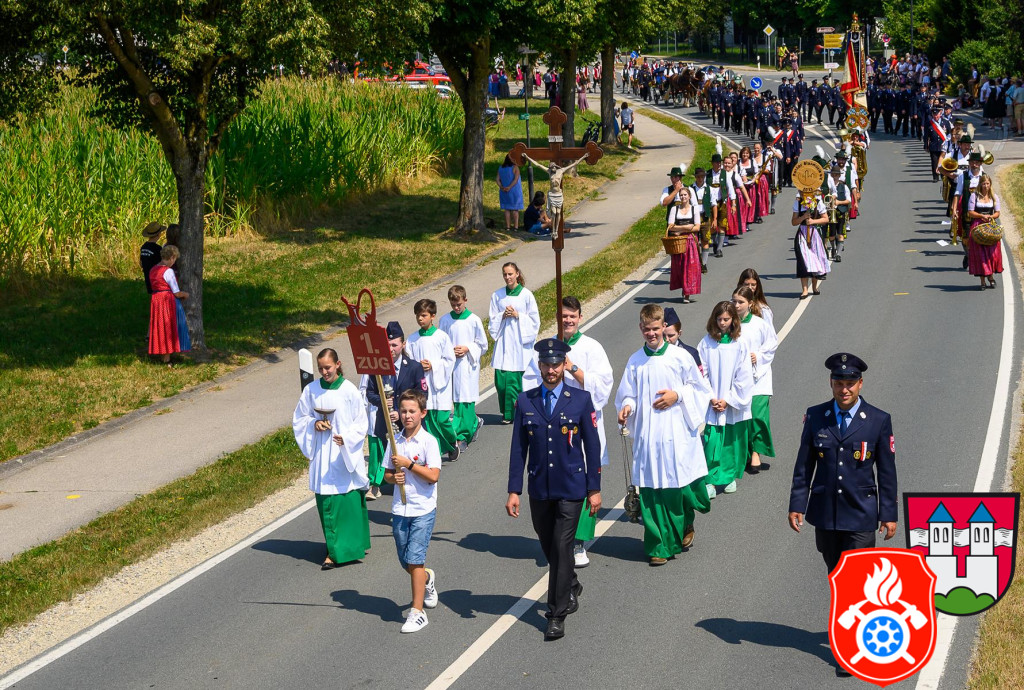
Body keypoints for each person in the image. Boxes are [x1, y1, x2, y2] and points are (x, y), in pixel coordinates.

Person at [507, 338, 602, 640]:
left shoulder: (581, 399)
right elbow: (518, 449)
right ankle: (570, 582)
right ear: (539, 366)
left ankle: (556, 613)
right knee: (549, 545)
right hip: (539, 488)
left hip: (571, 487)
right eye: (546, 365)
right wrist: (514, 490)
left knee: (562, 547)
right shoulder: (526, 401)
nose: (551, 370)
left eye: (556, 364)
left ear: (564, 365)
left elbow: (593, 447)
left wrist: (594, 488)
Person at [615, 304, 713, 565]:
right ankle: (658, 545)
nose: (651, 334)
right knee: (651, 491)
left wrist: (677, 395)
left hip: (677, 433)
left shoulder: (680, 357)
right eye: (646, 329)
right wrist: (627, 407)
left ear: (664, 327)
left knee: (679, 489)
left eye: (656, 329)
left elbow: (701, 389)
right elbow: (628, 393)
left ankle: (684, 523)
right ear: (641, 328)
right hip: (649, 437)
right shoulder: (635, 361)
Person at [788, 353, 898, 577]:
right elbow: (804, 465)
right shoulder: (816, 415)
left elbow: (887, 473)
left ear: (860, 383)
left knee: (858, 576)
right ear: (831, 383)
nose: (844, 390)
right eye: (839, 384)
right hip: (826, 514)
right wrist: (797, 504)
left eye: (850, 384)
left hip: (860, 513)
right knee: (836, 574)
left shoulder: (878, 420)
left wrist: (888, 514)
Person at [292, 348, 370, 570]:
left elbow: (361, 422)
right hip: (323, 453)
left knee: (348, 500)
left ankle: (352, 546)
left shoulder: (349, 390)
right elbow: (300, 418)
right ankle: (334, 551)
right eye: (320, 368)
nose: (324, 372)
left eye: (328, 367)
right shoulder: (311, 390)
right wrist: (314, 423)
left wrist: (346, 438)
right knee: (328, 501)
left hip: (343, 452)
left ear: (338, 364)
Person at [558, 297, 614, 569]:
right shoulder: (549, 347)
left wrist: (572, 367)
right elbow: (532, 382)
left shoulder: (593, 347)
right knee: (560, 482)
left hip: (585, 426)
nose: (568, 320)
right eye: (563, 316)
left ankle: (579, 541)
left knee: (586, 483)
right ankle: (561, 538)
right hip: (556, 428)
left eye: (572, 316)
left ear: (580, 317)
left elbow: (603, 387)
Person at [384, 389, 442, 633]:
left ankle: (417, 612)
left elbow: (433, 476)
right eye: (404, 411)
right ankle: (426, 579)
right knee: (406, 560)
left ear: (422, 413)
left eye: (412, 411)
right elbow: (386, 474)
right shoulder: (394, 442)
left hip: (423, 509)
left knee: (415, 559)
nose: (407, 416)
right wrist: (393, 478)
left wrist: (409, 465)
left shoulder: (429, 442)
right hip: (400, 509)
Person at [365, 321, 428, 501]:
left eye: (394, 345)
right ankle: (395, 495)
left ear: (403, 344)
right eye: (387, 345)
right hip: (386, 425)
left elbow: (423, 393)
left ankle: (414, 493)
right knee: (392, 463)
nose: (391, 349)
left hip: (408, 425)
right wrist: (383, 402)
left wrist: (402, 412)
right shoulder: (377, 368)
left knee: (410, 460)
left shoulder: (414, 367)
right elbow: (370, 393)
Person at [697, 301, 753, 498]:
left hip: (731, 403)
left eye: (726, 319)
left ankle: (729, 477)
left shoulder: (740, 343)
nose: (722, 323)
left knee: (730, 443)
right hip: (713, 402)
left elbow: (744, 375)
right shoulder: (706, 343)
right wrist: (712, 397)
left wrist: (728, 399)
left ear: (733, 320)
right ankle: (710, 480)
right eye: (719, 319)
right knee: (712, 442)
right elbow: (700, 372)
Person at [407, 299, 460, 462]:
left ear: (433, 316)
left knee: (442, 420)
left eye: (424, 315)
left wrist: (433, 365)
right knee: (428, 422)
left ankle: (452, 441)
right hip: (422, 385)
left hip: (439, 385)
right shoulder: (412, 339)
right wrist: (418, 366)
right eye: (418, 315)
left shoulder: (441, 337)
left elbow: (449, 359)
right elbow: (409, 361)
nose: (420, 319)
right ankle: (435, 453)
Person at [732, 287, 777, 473]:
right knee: (743, 417)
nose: (736, 305)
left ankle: (757, 451)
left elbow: (772, 344)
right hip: (738, 379)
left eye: (740, 302)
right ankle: (747, 452)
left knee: (757, 414)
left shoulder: (760, 324)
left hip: (759, 377)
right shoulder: (729, 325)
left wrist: (757, 355)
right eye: (734, 301)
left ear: (750, 303)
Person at [489, 262, 540, 423]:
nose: (507, 277)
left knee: (516, 381)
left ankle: (515, 414)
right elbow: (492, 319)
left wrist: (518, 315)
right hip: (504, 341)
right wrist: (502, 315)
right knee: (501, 382)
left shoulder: (526, 295)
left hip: (519, 342)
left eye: (510, 274)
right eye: (505, 274)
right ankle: (507, 411)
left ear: (517, 274)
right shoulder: (497, 295)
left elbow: (534, 320)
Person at [439, 286, 488, 452]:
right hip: (452, 366)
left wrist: (467, 348)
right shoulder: (445, 320)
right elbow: (441, 342)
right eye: (453, 305)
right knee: (455, 399)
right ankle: (473, 422)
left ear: (465, 300)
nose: (456, 307)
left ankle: (462, 436)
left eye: (459, 304)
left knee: (466, 400)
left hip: (467, 365)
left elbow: (483, 345)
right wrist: (449, 351)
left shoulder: (474, 320)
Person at [148, 245, 189, 365]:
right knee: (168, 328)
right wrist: (185, 294)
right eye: (174, 259)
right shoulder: (168, 271)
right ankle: (167, 359)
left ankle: (162, 355)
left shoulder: (153, 269)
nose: (174, 262)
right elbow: (176, 292)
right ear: (171, 257)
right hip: (167, 301)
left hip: (156, 300)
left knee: (160, 327)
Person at [966, 174, 1002, 290]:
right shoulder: (974, 196)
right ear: (980, 184)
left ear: (990, 184)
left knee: (992, 253)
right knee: (980, 254)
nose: (986, 186)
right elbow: (970, 212)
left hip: (990, 226)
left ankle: (990, 276)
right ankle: (982, 281)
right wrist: (981, 215)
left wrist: (991, 216)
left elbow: (997, 213)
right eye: (983, 184)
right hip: (977, 226)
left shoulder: (994, 196)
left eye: (987, 183)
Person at [666, 186, 702, 304]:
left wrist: (680, 229)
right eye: (681, 195)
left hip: (691, 241)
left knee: (690, 267)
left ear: (689, 196)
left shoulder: (694, 209)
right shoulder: (674, 209)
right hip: (678, 242)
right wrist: (687, 227)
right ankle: (684, 288)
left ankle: (687, 293)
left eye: (685, 195)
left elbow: (697, 227)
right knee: (680, 266)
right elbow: (671, 227)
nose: (683, 197)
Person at [792, 190, 830, 298]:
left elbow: (826, 219)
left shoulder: (818, 202)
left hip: (815, 234)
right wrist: (803, 217)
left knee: (816, 259)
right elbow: (793, 222)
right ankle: (804, 289)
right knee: (803, 260)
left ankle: (814, 286)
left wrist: (813, 221)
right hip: (802, 234)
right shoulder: (798, 203)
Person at [662, 306, 702, 374]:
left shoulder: (691, 354)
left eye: (671, 336)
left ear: (679, 333)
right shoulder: (653, 354)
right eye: (663, 335)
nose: (667, 340)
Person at [496, 155, 524, 232]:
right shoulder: (515, 167)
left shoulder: (501, 168)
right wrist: (509, 187)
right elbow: (516, 179)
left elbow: (497, 179)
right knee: (515, 209)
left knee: (507, 209)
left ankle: (508, 226)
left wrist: (501, 187)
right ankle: (516, 227)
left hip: (504, 191)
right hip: (514, 191)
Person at [140, 222, 165, 294]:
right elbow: (162, 264)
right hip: (156, 278)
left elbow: (141, 263)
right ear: (158, 234)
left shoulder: (144, 247)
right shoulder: (158, 249)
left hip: (147, 277)